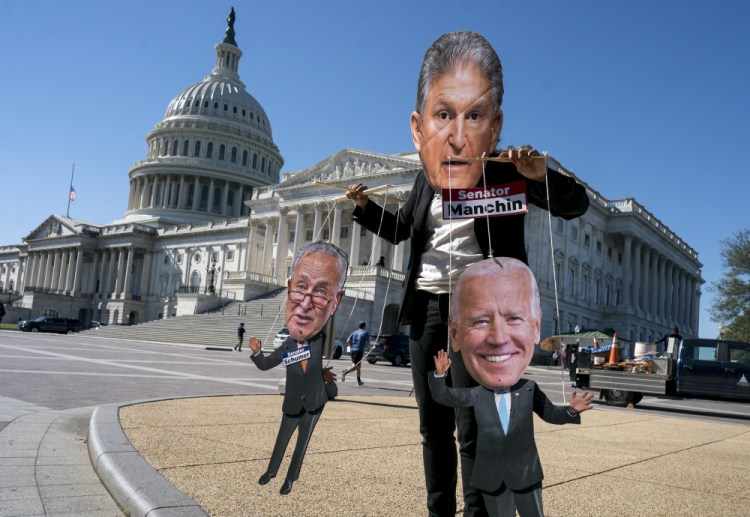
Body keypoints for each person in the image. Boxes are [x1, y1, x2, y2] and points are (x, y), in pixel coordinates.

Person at [346, 30, 589, 517]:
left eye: (473, 115)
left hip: (476, 314)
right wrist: (364, 207)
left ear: (493, 125)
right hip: (429, 310)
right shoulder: (426, 177)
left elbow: (575, 204)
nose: (456, 132)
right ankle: (440, 512)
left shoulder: (504, 172)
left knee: (473, 428)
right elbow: (401, 232)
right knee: (431, 425)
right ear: (422, 127)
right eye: (443, 116)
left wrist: (540, 175)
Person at [430, 257, 593, 516]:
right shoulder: (478, 393)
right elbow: (447, 397)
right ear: (455, 336)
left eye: (515, 318)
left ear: (536, 328)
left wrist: (572, 410)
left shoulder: (528, 389)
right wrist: (440, 376)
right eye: (480, 321)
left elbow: (549, 413)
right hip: (491, 477)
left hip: (526, 473)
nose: (498, 339)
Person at [248, 241, 348, 495]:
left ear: (335, 302)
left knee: (301, 446)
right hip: (293, 403)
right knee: (281, 441)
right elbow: (266, 364)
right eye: (300, 287)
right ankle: (271, 471)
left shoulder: (319, 339)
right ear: (290, 287)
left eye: (321, 292)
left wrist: (328, 382)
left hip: (314, 404)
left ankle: (290, 479)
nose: (304, 304)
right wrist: (258, 352)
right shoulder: (287, 346)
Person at [342, 321, 370, 386]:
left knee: (358, 366)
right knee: (356, 367)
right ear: (364, 326)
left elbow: (348, 341)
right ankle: (345, 372)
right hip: (359, 351)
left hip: (352, 350)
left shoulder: (354, 332)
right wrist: (371, 346)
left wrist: (351, 346)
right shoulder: (365, 333)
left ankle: (359, 381)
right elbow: (367, 343)